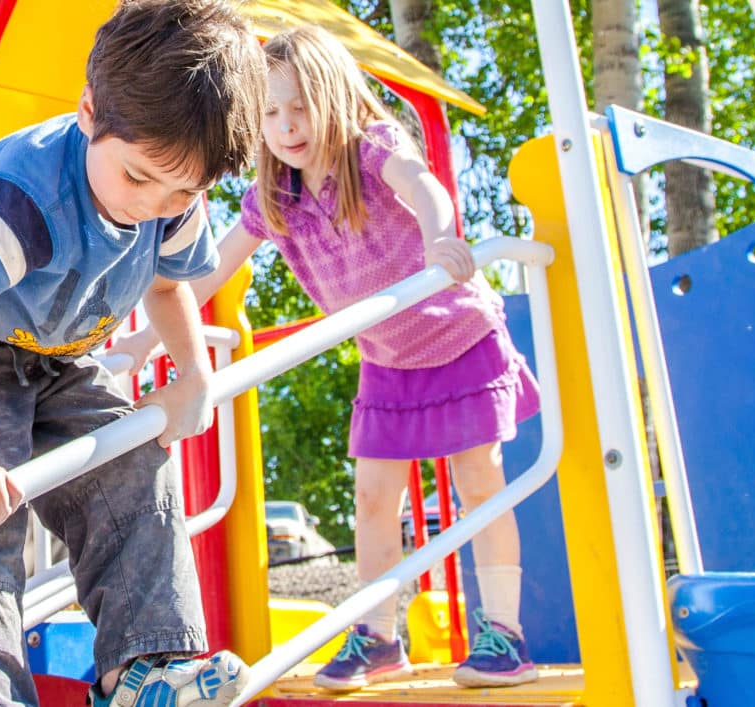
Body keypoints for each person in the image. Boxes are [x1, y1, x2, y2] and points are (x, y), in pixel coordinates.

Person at [109, 25, 543, 690]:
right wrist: (147, 336)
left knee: (478, 478)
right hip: (389, 359)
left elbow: (423, 186)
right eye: (272, 113)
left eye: (301, 107)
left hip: (459, 338)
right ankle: (376, 635)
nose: (287, 126)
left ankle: (502, 633)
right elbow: (212, 268)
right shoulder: (274, 197)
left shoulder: (372, 150)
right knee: (372, 498)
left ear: (335, 97)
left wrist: (438, 237)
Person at [0, 1, 268, 704]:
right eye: (139, 178)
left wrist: (194, 377)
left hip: (58, 351)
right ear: (89, 112)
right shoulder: (25, 195)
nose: (154, 203)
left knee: (133, 468)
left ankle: (144, 671)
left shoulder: (173, 196)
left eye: (182, 190)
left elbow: (171, 286)